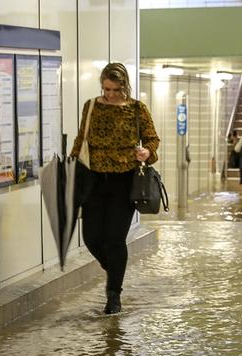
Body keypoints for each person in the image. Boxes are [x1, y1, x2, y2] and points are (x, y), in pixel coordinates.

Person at [70, 62, 161, 315]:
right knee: (91, 237)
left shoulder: (136, 109)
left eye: (115, 90)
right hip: (93, 180)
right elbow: (81, 139)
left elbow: (153, 139)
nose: (109, 94)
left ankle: (113, 296)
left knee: (114, 238)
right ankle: (115, 270)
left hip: (125, 181)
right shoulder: (91, 106)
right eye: (106, 89)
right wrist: (72, 166)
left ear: (124, 86)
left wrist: (147, 152)